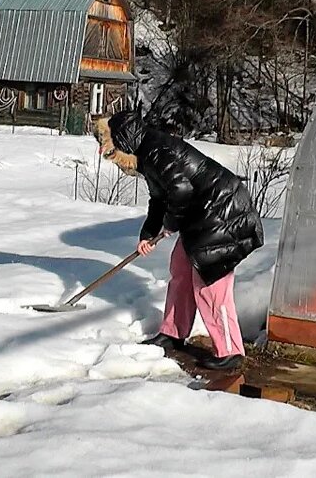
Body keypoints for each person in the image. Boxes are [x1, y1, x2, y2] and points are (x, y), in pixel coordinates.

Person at [94, 110, 264, 370]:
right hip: (202, 216)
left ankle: (230, 350)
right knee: (181, 269)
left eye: (115, 153)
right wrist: (148, 234)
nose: (117, 161)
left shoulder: (157, 151)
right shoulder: (147, 152)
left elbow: (181, 192)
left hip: (224, 213)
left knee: (210, 283)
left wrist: (169, 226)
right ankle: (173, 333)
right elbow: (159, 199)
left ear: (124, 141)